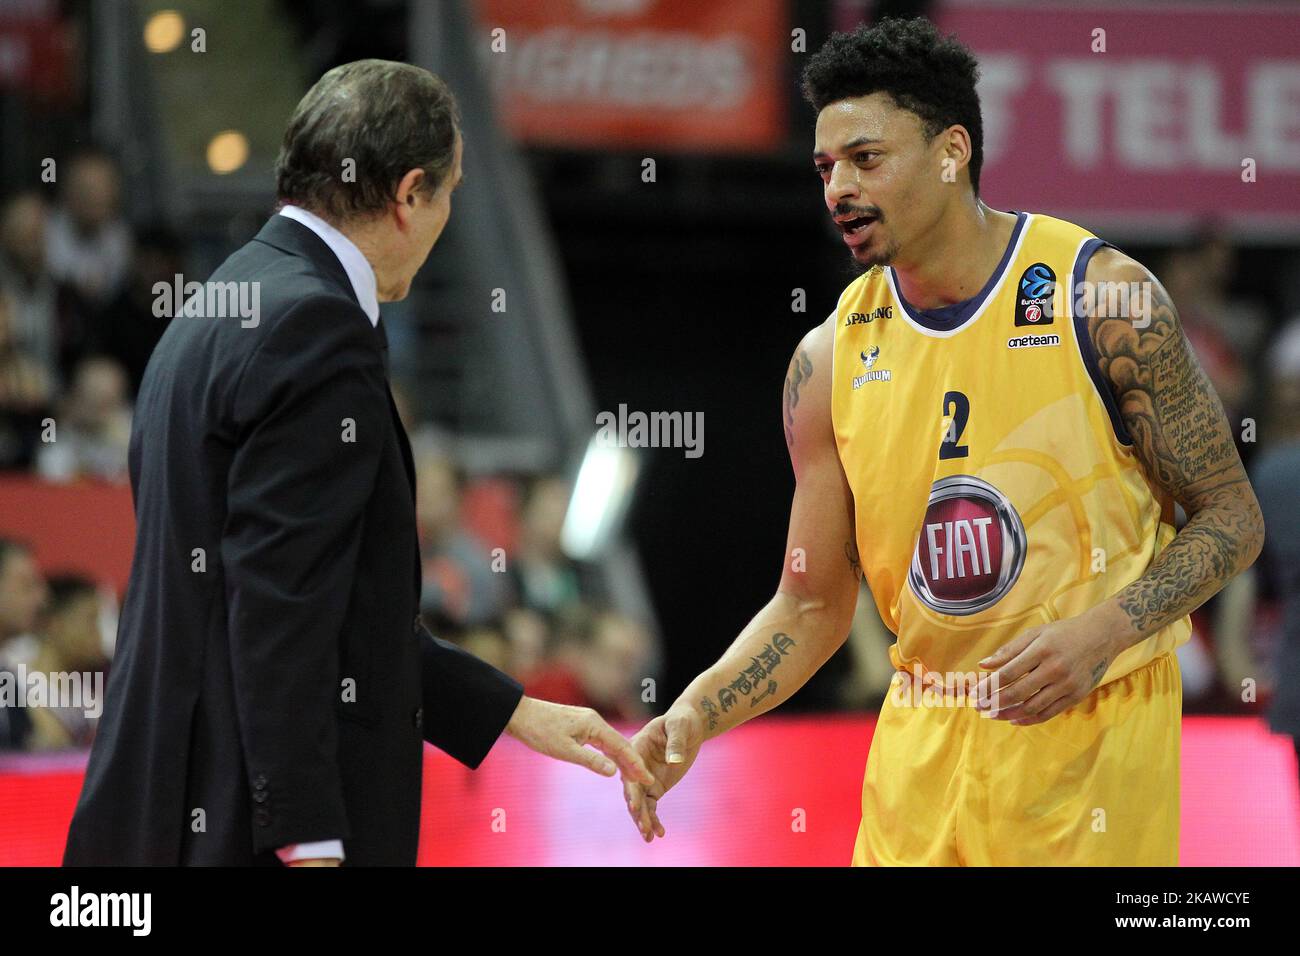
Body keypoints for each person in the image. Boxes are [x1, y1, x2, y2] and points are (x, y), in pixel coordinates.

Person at [623, 18, 1264, 866]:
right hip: (920, 746)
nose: (837, 189)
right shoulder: (827, 357)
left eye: (866, 158)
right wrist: (698, 710)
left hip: (1088, 742)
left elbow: (1231, 517)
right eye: (825, 168)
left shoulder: (1102, 298)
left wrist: (1106, 631)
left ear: (952, 151)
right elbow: (813, 603)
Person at [62, 60, 651, 867]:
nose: (447, 214)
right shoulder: (318, 327)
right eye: (448, 192)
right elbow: (279, 608)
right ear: (409, 194)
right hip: (250, 827)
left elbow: (330, 614)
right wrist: (307, 835)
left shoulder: (218, 301)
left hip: (159, 804)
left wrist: (515, 714)